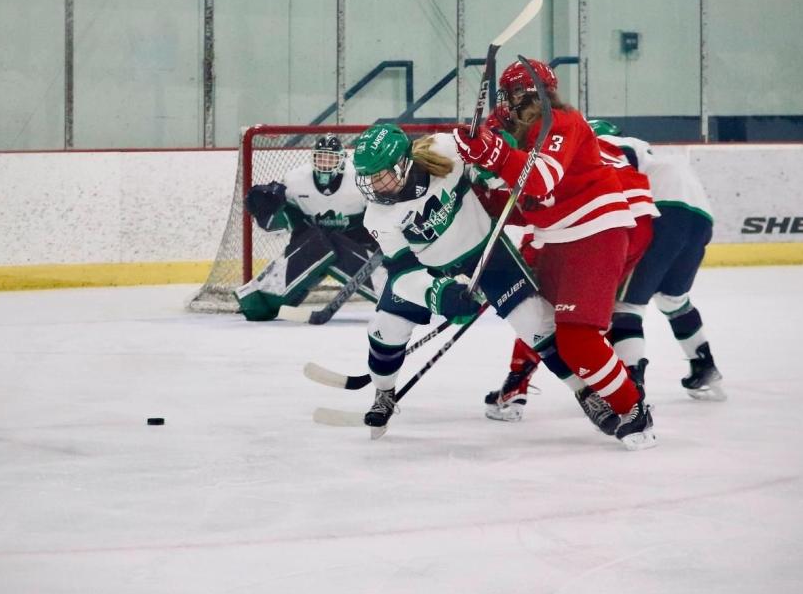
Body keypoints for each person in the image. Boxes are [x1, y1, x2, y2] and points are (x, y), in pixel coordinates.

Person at [349, 123, 601, 441]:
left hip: (484, 252)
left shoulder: (445, 149)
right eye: (368, 178)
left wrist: (493, 152)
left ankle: (586, 393)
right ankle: (384, 393)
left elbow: (493, 150)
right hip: (428, 271)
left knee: (537, 322)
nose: (374, 185)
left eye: (380, 175)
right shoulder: (378, 217)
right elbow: (401, 273)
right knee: (384, 330)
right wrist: (439, 295)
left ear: (404, 162)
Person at [452, 60, 656, 448]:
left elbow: (542, 178)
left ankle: (634, 409)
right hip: (558, 238)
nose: (505, 105)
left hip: (594, 233)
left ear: (530, 94)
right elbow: (524, 199)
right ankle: (578, 388)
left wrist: (491, 153)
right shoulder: (525, 132)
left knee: (578, 339)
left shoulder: (562, 121)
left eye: (511, 95)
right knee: (540, 321)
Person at [486, 120, 724, 421]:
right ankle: (704, 366)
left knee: (623, 307)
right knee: (673, 299)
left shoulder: (586, 152)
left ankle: (631, 392)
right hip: (700, 217)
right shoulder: (639, 147)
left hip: (656, 212)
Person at [235, 135, 386, 320]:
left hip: (356, 239)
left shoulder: (360, 179)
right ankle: (258, 302)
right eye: (320, 157)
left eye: (330, 158)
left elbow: (380, 215)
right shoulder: (295, 180)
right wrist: (267, 211)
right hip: (313, 239)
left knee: (331, 242)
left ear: (342, 160)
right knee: (318, 242)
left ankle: (398, 298)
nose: (325, 163)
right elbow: (281, 224)